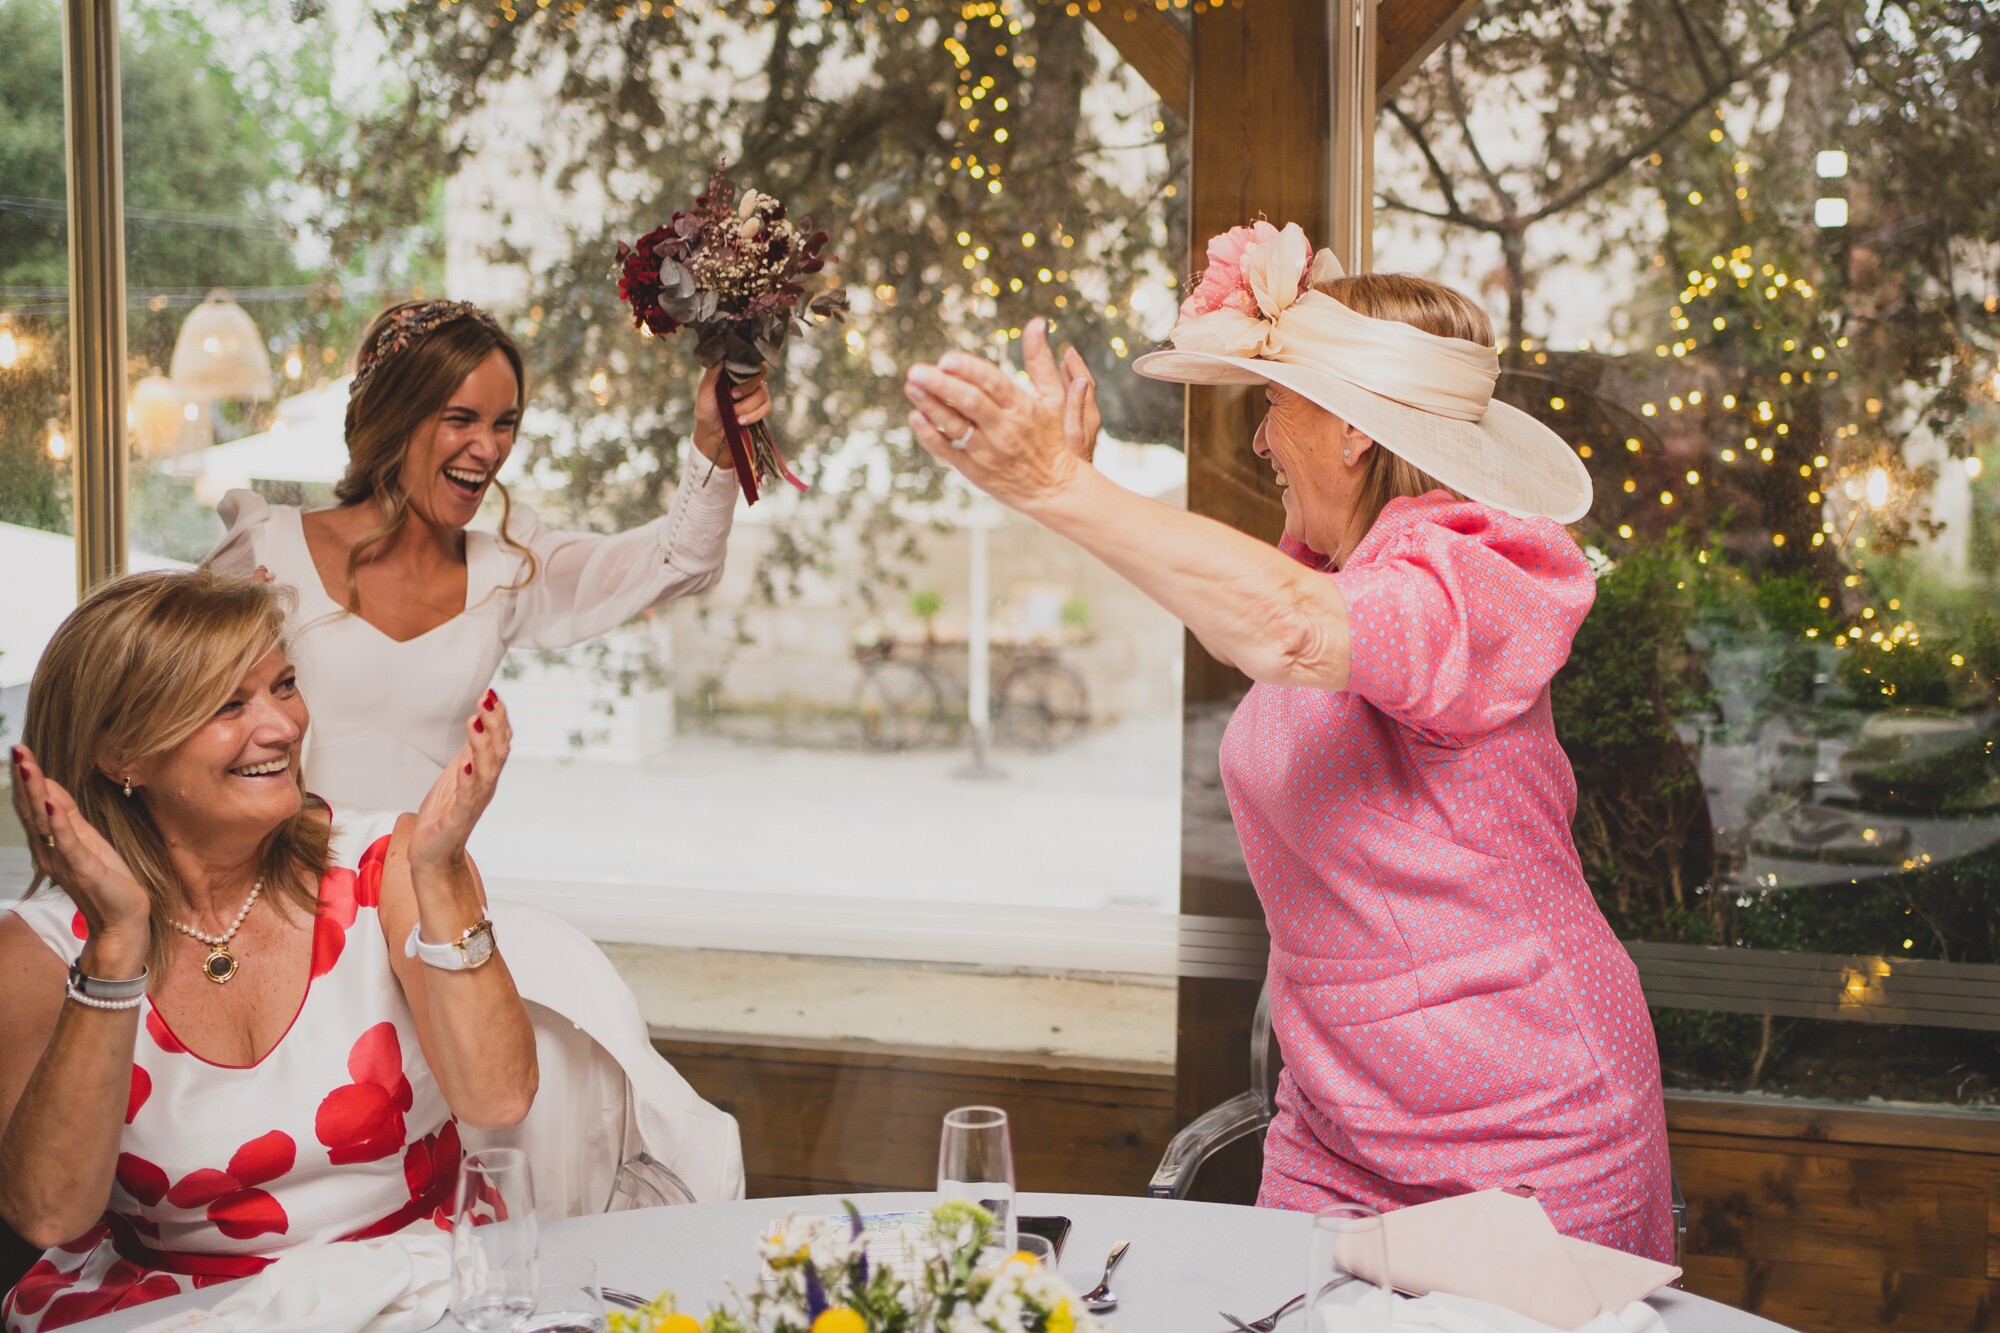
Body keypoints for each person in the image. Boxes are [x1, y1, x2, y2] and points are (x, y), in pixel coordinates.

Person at [900, 221, 1675, 1262]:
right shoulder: (1337, 570)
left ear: (1351, 430)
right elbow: (1246, 610)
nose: (1260, 441)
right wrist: (1068, 496)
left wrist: (1059, 487)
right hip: (1336, 1125)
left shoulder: (1477, 575)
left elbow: (1285, 627)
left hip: (1526, 1129)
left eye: (1274, 404)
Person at [0, 569, 536, 1331]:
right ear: (122, 754)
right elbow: (48, 1213)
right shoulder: (40, 948)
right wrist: (116, 944)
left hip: (417, 1284)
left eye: (284, 685)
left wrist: (444, 869)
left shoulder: (394, 862)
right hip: (176, 1309)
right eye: (229, 704)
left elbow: (499, 1097)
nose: (283, 725)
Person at [206, 299, 772, 812]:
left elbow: (681, 561)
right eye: (461, 419)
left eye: (505, 424)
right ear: (394, 416)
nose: (489, 448)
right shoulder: (267, 549)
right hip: (283, 883)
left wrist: (712, 441)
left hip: (421, 885)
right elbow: (177, 725)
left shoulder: (509, 571)